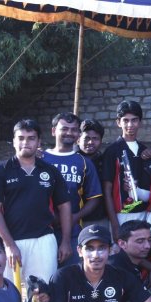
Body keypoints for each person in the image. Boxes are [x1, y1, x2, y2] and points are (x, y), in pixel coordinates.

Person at [0, 118, 72, 302]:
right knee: (7, 296)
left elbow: (65, 206)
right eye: (21, 138)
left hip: (44, 241)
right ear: (13, 141)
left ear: (39, 141)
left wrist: (65, 241)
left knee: (42, 294)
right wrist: (9, 244)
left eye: (31, 138)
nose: (26, 142)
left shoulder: (50, 171)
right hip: (8, 244)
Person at [43, 112, 103, 267]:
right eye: (64, 128)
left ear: (78, 134)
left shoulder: (84, 162)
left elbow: (94, 198)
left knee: (71, 275)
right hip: (41, 231)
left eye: (74, 129)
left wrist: (75, 216)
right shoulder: (39, 158)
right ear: (53, 131)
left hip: (72, 232)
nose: (69, 132)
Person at [102, 100, 151, 241]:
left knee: (142, 249)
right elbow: (107, 190)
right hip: (121, 214)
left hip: (144, 213)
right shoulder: (112, 151)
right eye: (126, 120)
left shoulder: (145, 151)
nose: (130, 125)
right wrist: (115, 224)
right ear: (118, 122)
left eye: (134, 120)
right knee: (122, 251)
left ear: (140, 122)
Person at [108, 219, 151, 288]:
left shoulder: (130, 263)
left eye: (149, 240)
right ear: (122, 244)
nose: (148, 246)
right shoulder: (114, 269)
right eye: (140, 241)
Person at [78, 118, 109, 228]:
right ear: (78, 139)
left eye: (95, 138)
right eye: (87, 138)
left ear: (101, 141)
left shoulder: (105, 161)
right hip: (76, 220)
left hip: (102, 219)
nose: (90, 142)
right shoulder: (72, 161)